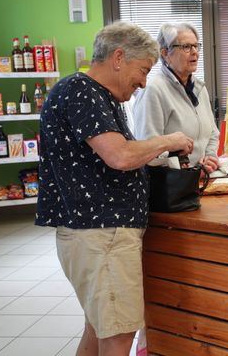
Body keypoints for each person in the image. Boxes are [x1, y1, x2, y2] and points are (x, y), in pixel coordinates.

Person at [35, 21, 194, 356]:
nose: (143, 82)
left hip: (100, 234)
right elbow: (120, 155)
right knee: (119, 336)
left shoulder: (99, 97)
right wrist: (170, 139)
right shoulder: (81, 92)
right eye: (143, 70)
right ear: (119, 57)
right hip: (102, 234)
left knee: (98, 329)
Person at [132, 22, 220, 173]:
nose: (195, 52)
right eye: (186, 47)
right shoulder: (153, 90)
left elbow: (212, 132)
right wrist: (184, 167)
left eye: (196, 46)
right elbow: (147, 150)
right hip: (171, 186)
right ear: (165, 54)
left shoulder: (199, 87)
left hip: (201, 179)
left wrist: (209, 158)